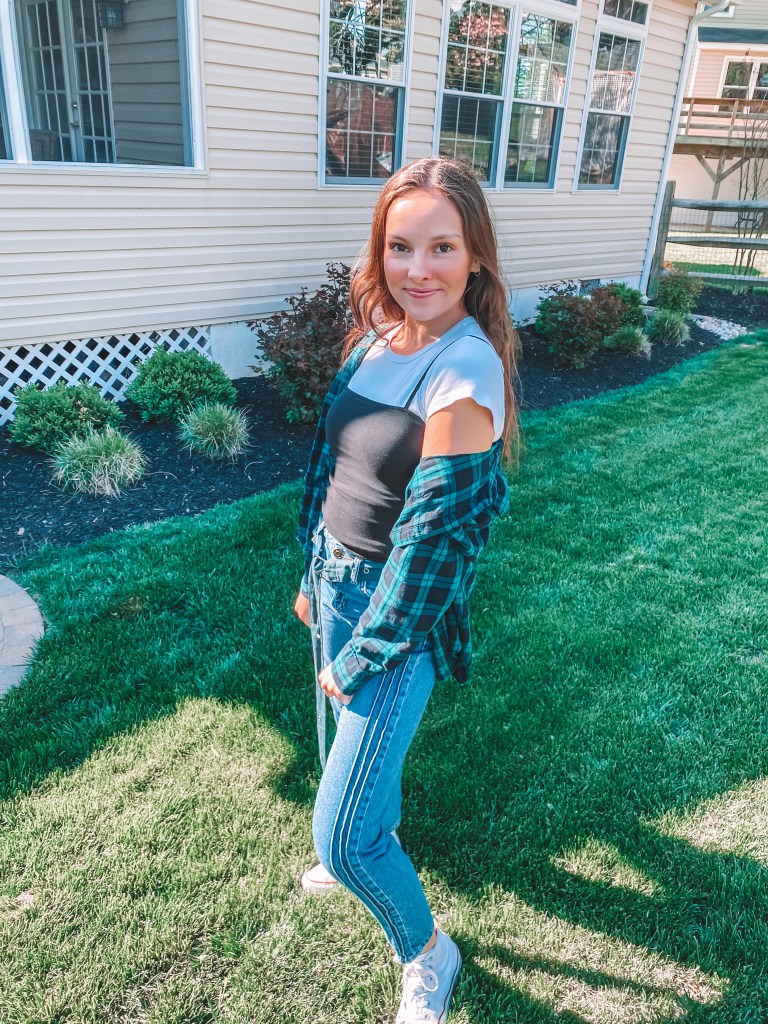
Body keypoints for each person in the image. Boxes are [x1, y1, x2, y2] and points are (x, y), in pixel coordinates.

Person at [293, 156, 518, 1024]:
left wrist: (364, 651)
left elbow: (434, 546)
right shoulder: (377, 341)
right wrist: (311, 574)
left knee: (343, 836)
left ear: (475, 256)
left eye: (441, 247)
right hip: (336, 582)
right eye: (399, 246)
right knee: (353, 774)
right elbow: (331, 466)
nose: (417, 270)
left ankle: (428, 952)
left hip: (398, 615)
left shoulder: (465, 374)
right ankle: (362, 837)